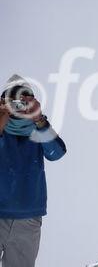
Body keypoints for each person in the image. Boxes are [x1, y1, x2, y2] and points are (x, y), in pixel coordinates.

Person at [0, 75, 67, 267]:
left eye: (24, 99)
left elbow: (57, 153)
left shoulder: (38, 130)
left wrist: (38, 119)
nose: (18, 104)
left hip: (28, 218)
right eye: (12, 100)